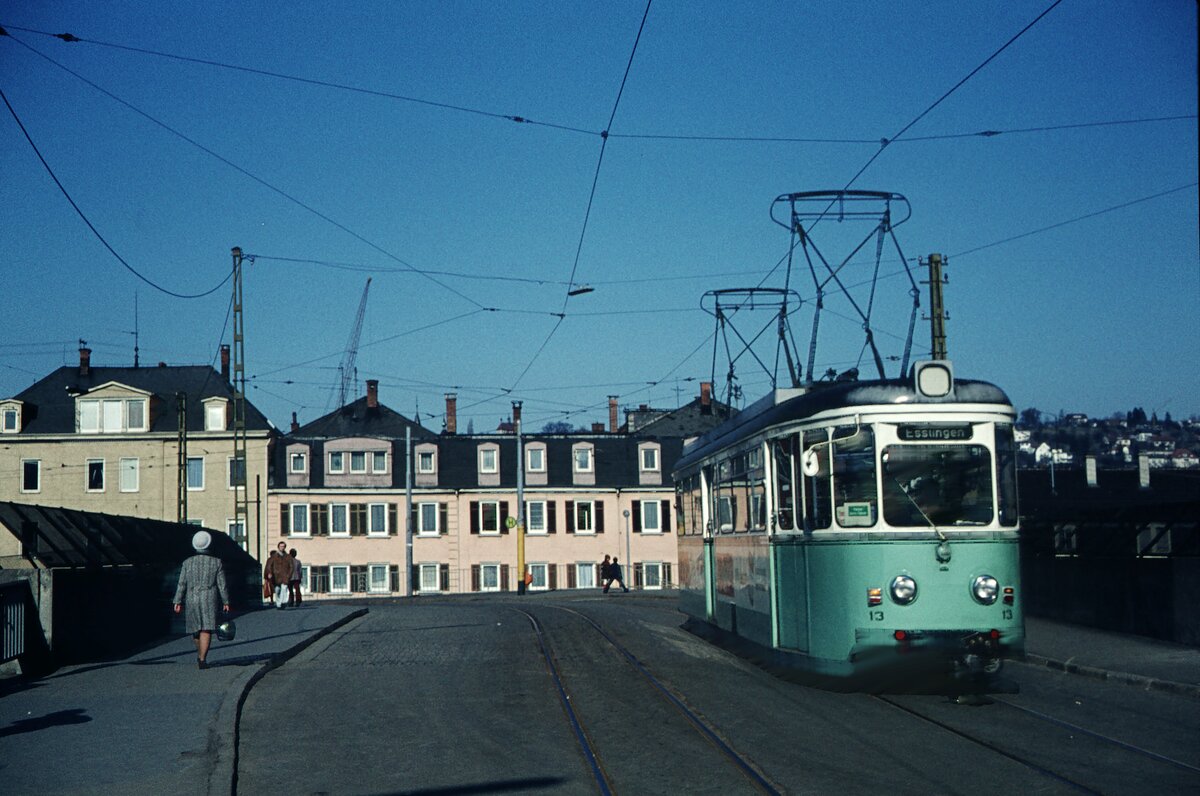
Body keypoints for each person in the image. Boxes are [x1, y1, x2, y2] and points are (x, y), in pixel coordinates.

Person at [173, 530, 230, 670]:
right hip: (209, 596)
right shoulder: (216, 562)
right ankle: (203, 658)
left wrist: (177, 601)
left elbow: (182, 583)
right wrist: (226, 602)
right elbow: (222, 584)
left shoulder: (187, 563)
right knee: (207, 628)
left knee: (195, 629)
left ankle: (200, 653)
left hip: (192, 597)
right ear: (209, 544)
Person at [267, 541, 294, 609]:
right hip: (276, 576)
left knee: (284, 589)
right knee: (277, 590)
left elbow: (291, 566)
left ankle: (283, 603)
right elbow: (269, 565)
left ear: (285, 547)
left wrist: (289, 575)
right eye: (281, 546)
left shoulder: (288, 557)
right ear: (278, 547)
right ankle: (278, 603)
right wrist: (270, 573)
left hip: (285, 576)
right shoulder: (274, 556)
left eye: (283, 546)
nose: (282, 548)